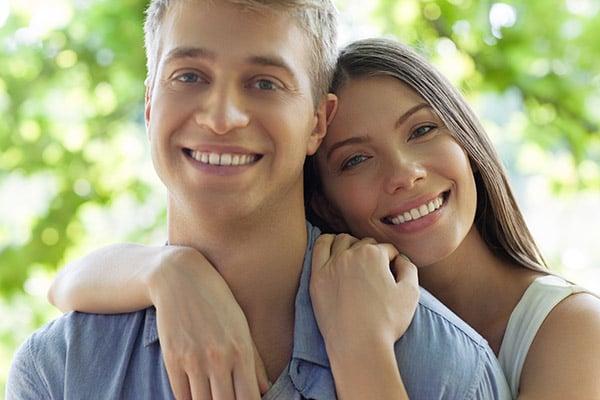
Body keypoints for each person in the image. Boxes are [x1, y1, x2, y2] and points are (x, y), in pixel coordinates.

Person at [47, 35, 600, 398]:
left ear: (467, 137)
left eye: (423, 130)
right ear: (323, 200)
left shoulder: (573, 330)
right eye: (355, 159)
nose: (404, 173)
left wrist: (359, 346)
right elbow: (64, 285)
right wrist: (168, 273)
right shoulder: (334, 293)